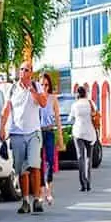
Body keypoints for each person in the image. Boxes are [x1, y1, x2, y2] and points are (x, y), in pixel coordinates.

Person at [0, 63, 47, 214]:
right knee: (22, 169)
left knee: (34, 165)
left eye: (26, 70)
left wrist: (32, 91)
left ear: (31, 73)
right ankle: (25, 201)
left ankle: (37, 200)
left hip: (33, 132)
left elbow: (43, 103)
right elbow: (7, 109)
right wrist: (2, 127)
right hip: (17, 133)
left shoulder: (37, 86)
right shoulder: (12, 89)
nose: (22, 72)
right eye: (21, 69)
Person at [38, 72, 64, 205]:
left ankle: (48, 190)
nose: (44, 87)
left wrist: (60, 139)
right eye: (42, 84)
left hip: (49, 131)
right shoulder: (36, 98)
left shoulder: (53, 99)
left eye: (46, 85)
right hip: (38, 132)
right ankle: (42, 192)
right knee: (39, 162)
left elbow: (58, 120)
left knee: (49, 160)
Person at [71, 85, 98, 192]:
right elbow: (95, 113)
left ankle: (83, 183)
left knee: (80, 157)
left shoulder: (75, 105)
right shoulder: (90, 103)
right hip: (89, 132)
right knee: (88, 158)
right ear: (85, 93)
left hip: (78, 132)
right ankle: (89, 183)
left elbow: (71, 117)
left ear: (77, 94)